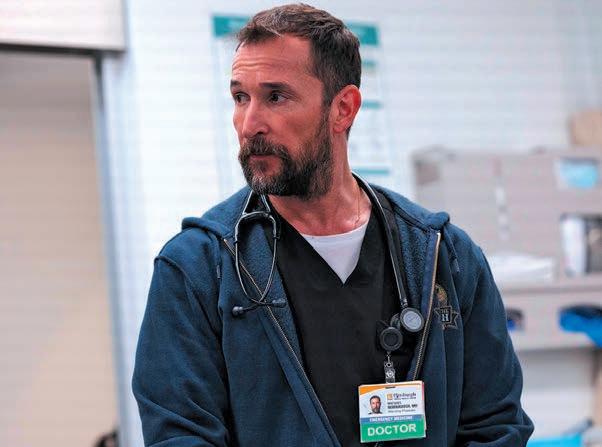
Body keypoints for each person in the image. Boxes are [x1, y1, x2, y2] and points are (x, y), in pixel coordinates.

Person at [132, 4, 533, 446]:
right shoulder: (198, 268)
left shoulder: (443, 258)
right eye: (240, 97)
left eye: (276, 97)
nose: (249, 124)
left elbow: (496, 426)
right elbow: (180, 435)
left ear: (343, 109)